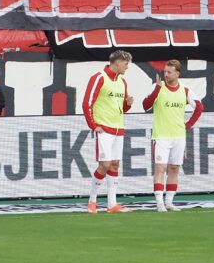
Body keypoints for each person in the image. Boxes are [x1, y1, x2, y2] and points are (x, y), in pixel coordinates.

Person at [143, 59, 203, 211]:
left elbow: (199, 107)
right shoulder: (158, 87)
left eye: (169, 72)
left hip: (178, 136)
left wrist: (188, 125)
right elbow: (145, 105)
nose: (166, 74)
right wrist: (156, 89)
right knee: (160, 168)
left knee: (174, 168)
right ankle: (159, 203)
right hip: (161, 135)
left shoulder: (185, 90)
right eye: (165, 71)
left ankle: (169, 201)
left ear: (177, 73)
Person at [82, 49, 135, 214]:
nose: (127, 68)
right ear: (118, 62)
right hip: (104, 128)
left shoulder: (122, 82)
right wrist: (93, 124)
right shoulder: (99, 77)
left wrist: (128, 103)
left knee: (115, 164)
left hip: (119, 128)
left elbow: (122, 109)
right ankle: (92, 200)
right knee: (104, 164)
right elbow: (87, 103)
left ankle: (112, 204)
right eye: (126, 64)